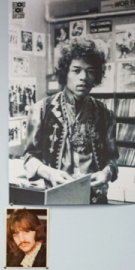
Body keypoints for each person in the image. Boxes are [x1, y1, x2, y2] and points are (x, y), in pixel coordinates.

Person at [22, 36, 118, 204]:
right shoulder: (41, 110)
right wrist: (49, 172)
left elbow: (113, 159)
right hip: (55, 199)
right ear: (65, 73)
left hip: (96, 202)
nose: (84, 77)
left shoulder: (105, 114)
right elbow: (29, 158)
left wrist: (107, 173)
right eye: (76, 70)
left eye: (90, 71)